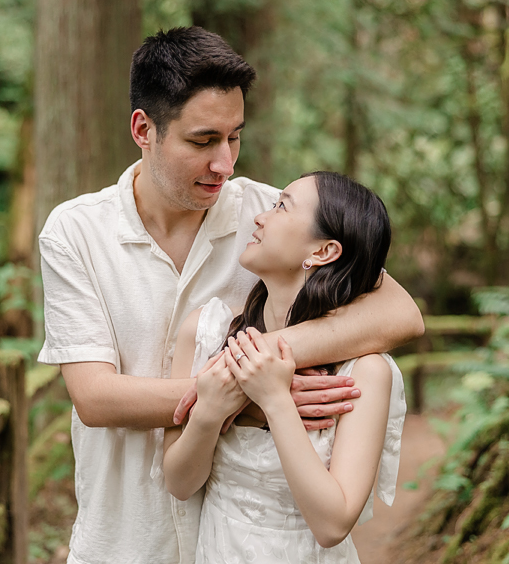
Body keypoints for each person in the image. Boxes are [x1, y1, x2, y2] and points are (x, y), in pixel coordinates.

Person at [37, 26, 423, 564]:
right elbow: (96, 397)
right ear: (143, 129)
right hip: (122, 537)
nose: (226, 164)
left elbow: (401, 313)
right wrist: (242, 394)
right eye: (203, 141)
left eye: (234, 137)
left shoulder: (267, 215)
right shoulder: (74, 232)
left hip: (235, 541)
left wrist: (268, 368)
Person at [163, 171, 406, 563]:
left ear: (323, 252)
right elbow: (178, 483)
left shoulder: (363, 373)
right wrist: (209, 411)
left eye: (281, 206)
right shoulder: (207, 332)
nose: (260, 217)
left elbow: (332, 526)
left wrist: (275, 400)